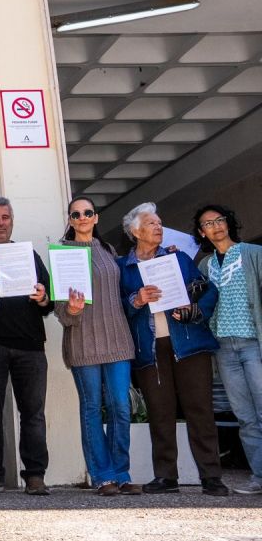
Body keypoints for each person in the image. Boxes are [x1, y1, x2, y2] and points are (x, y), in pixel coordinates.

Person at [117, 202, 225, 496]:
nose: (159, 227)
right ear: (135, 231)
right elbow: (116, 311)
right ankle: (166, 477)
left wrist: (194, 311)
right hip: (151, 350)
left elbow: (209, 291)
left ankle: (211, 477)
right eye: (152, 224)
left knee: (200, 410)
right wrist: (136, 301)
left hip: (188, 344)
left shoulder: (179, 260)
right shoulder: (122, 268)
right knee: (160, 412)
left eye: (160, 223)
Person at [54, 196, 141, 497]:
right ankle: (103, 476)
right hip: (82, 342)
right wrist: (73, 310)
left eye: (87, 212)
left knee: (119, 406)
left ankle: (122, 472)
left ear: (96, 217)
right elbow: (60, 309)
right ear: (70, 219)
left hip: (117, 340)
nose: (82, 217)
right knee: (92, 408)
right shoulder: (62, 253)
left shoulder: (109, 250)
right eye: (75, 214)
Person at [0, 197, 53, 496]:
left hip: (30, 346)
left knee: (33, 413)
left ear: (12, 221)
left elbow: (49, 303)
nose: (1, 222)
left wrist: (43, 296)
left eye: (5, 217)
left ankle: (35, 475)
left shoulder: (28, 255)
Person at [194, 204, 262, 495]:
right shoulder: (204, 266)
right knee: (244, 416)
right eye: (208, 224)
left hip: (253, 344)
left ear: (228, 222)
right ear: (202, 233)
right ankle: (259, 476)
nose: (216, 226)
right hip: (224, 348)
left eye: (219, 220)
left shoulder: (252, 253)